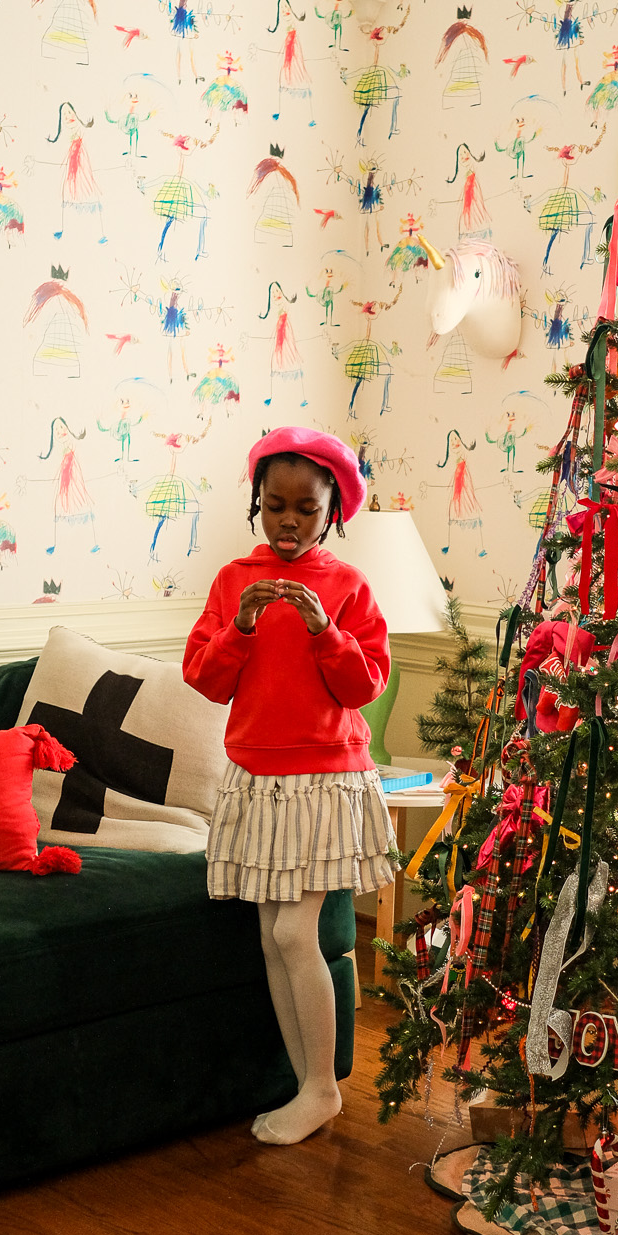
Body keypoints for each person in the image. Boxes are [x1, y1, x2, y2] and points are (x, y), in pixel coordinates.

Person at [184, 426, 393, 1145]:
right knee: (273, 942)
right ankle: (309, 1082)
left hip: (324, 781)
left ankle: (320, 1088)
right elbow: (206, 681)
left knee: (291, 930)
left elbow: (363, 684)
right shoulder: (232, 582)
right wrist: (239, 628)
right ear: (257, 504)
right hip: (256, 779)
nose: (288, 521)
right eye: (275, 505)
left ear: (331, 510)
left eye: (305, 508)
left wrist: (323, 631)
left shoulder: (348, 586)